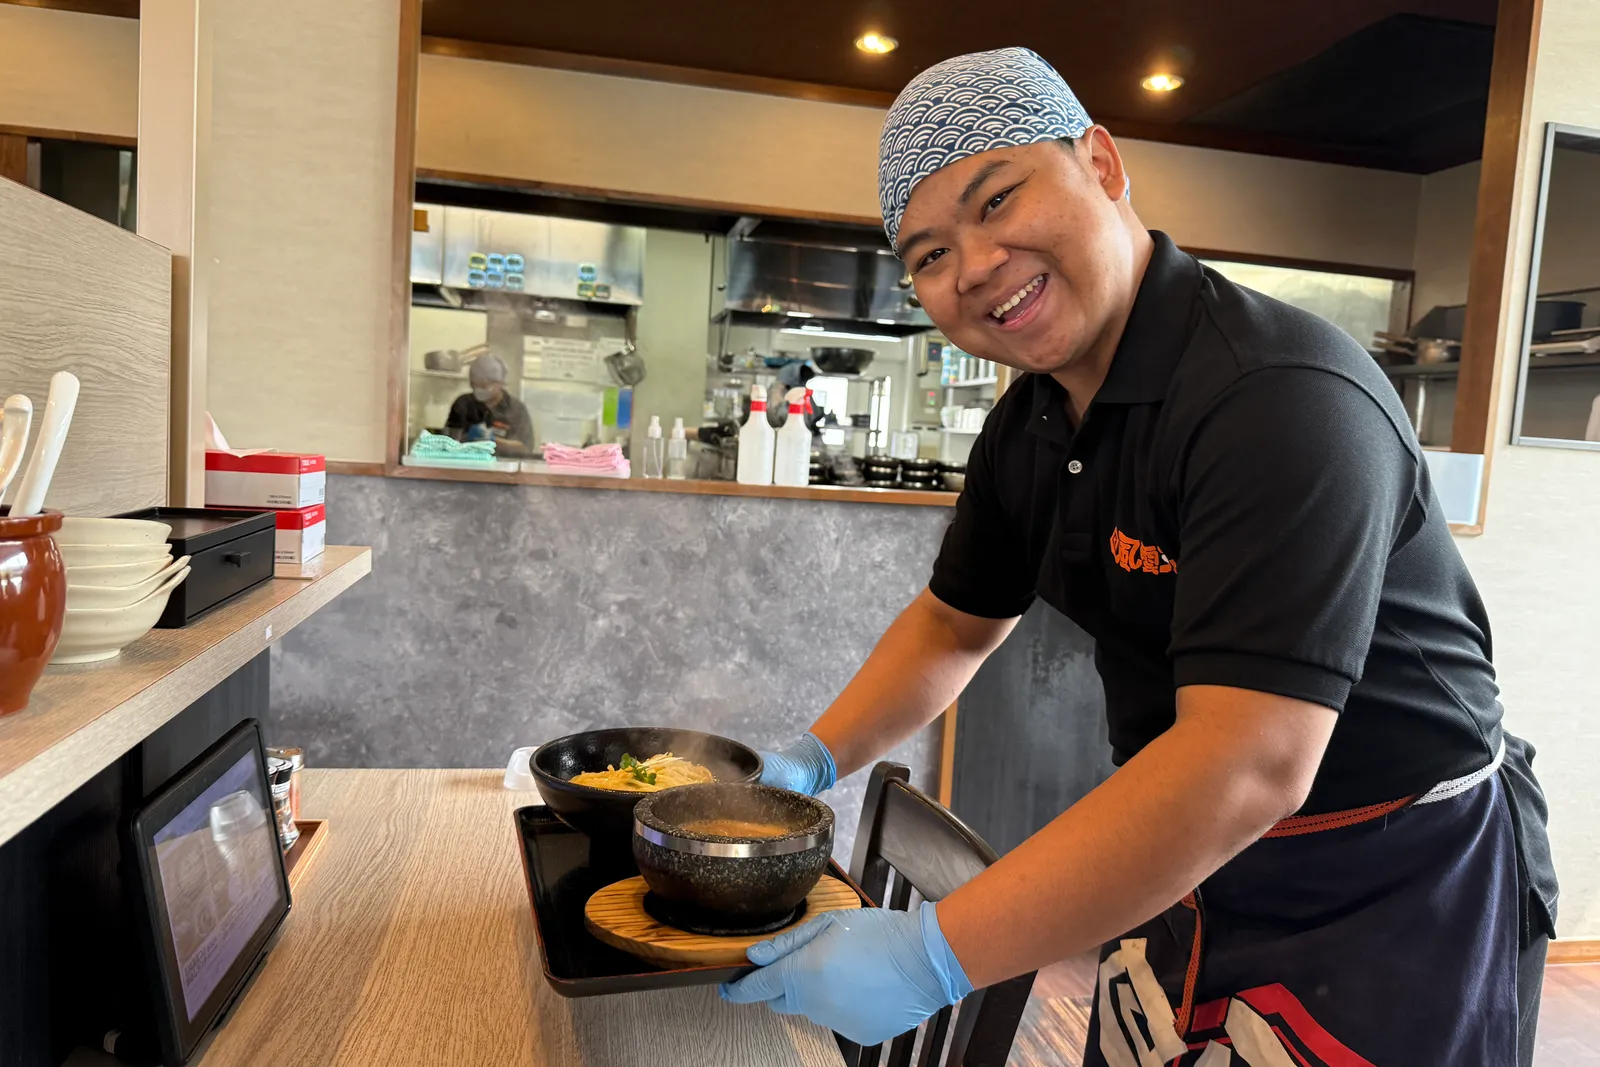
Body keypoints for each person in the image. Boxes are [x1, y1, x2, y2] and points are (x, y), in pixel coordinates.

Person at [724, 48, 1557, 1066]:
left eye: (997, 199)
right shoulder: (1031, 424)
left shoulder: (1275, 396)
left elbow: (1249, 760)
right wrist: (807, 764)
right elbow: (953, 623)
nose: (973, 266)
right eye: (929, 254)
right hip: (1191, 852)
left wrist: (933, 954)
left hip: (1393, 874)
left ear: (1102, 163)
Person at [445, 354, 534, 456]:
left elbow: (525, 448)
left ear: (499, 383)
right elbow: (447, 441)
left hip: (503, 464)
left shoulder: (516, 409)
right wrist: (465, 438)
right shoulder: (463, 404)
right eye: (475, 385)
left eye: (484, 386)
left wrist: (492, 440)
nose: (479, 390)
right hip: (466, 462)